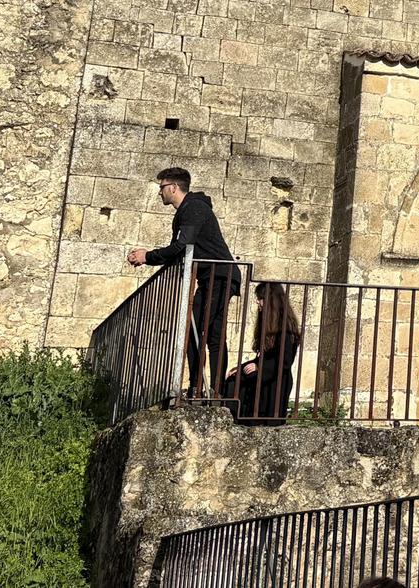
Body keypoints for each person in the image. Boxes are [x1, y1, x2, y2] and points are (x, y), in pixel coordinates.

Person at [127, 166, 240, 399]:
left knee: (209, 333)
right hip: (210, 278)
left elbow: (182, 245)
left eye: (162, 187)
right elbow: (178, 251)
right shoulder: (186, 211)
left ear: (174, 188)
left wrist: (147, 256)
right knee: (201, 332)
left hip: (220, 276)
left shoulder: (194, 207)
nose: (160, 192)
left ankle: (213, 391)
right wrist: (148, 258)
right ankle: (202, 388)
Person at [221, 281, 303, 427]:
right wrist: (242, 367)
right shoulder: (270, 324)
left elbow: (284, 361)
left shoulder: (285, 327)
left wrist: (259, 368)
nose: (258, 302)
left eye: (261, 298)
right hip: (265, 375)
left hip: (274, 382)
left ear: (270, 300)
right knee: (234, 379)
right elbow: (264, 356)